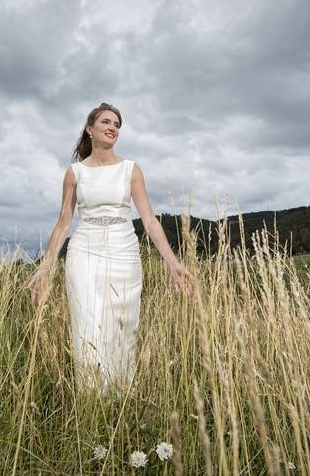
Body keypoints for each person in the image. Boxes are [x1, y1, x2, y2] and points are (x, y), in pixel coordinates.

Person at [24, 102, 193, 396]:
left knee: (122, 327)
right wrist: (45, 267)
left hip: (124, 250)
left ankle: (119, 398)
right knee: (87, 325)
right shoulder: (74, 173)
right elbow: (64, 224)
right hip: (84, 251)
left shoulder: (131, 170)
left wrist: (172, 263)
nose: (112, 127)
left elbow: (150, 220)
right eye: (106, 122)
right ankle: (91, 399)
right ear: (90, 129)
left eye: (116, 124)